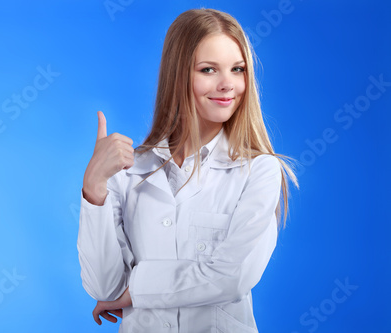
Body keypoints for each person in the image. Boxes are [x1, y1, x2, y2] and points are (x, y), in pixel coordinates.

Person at [77, 8, 298, 333]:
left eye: (237, 69)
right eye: (209, 69)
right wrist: (94, 186)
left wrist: (136, 290)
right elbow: (104, 289)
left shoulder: (259, 171)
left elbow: (232, 277)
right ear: (178, 74)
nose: (228, 85)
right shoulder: (127, 172)